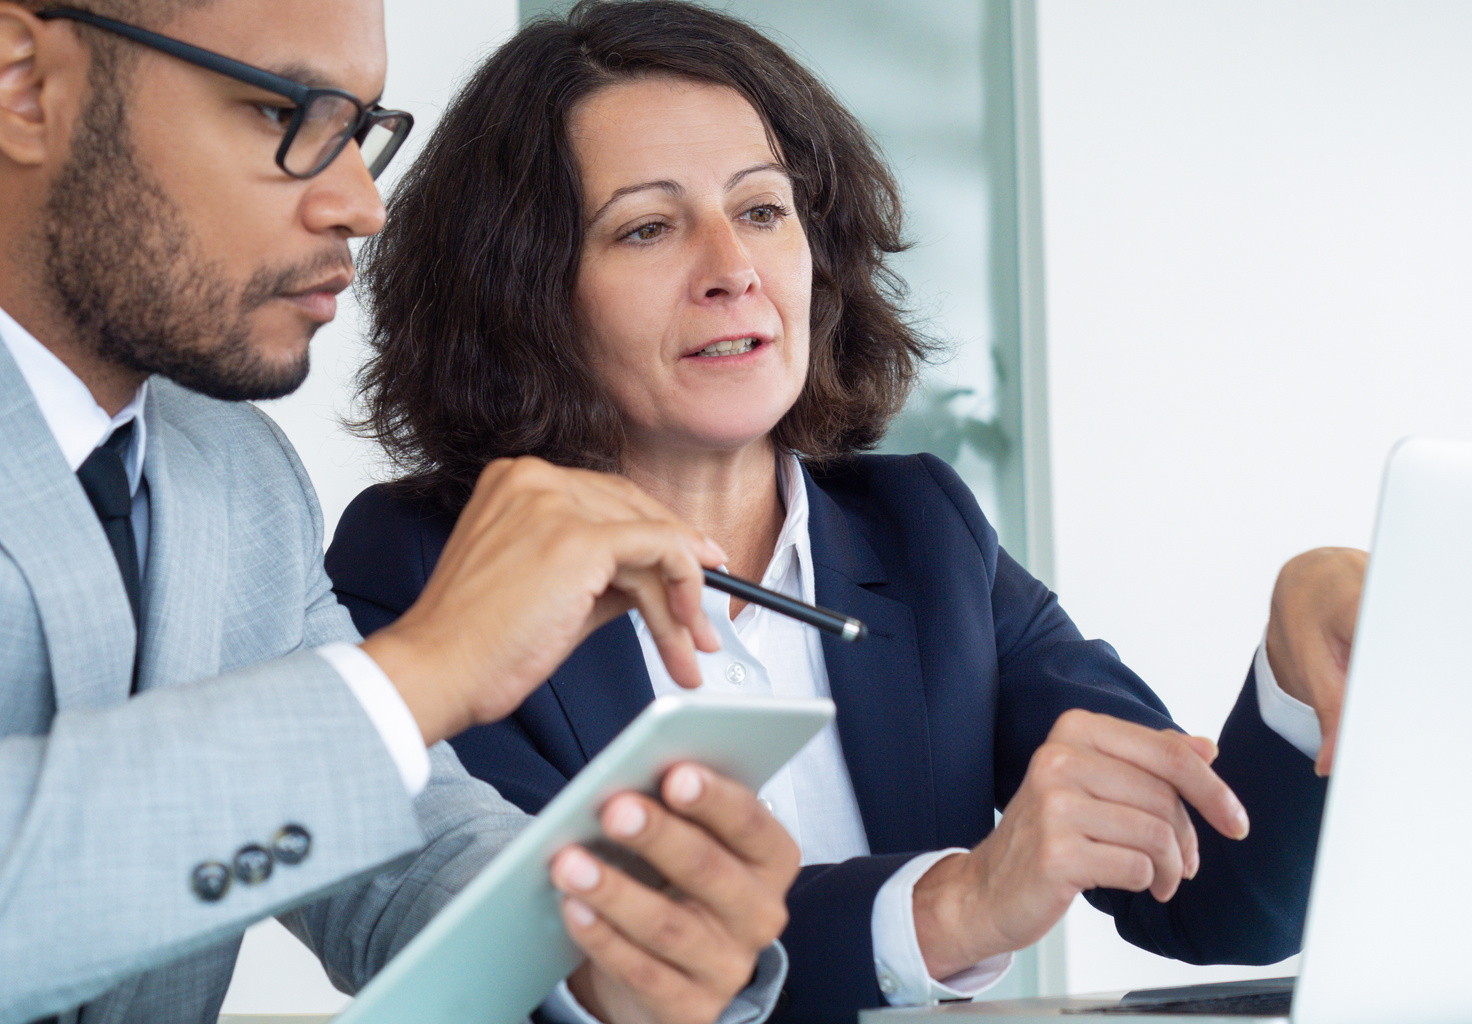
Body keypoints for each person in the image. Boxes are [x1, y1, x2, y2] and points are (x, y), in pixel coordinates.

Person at [325, 1, 1346, 1020]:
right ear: (523, 295)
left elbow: (1218, 904)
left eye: (764, 210)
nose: (734, 270)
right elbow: (574, 957)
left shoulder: (923, 531)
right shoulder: (422, 565)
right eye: (646, 227)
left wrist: (1296, 690)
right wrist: (957, 905)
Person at [0, 0, 802, 1021]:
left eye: (362, 132)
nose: (360, 205)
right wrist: (420, 672)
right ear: (25, 80)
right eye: (282, 110)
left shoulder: (239, 475)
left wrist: (596, 946)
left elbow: (394, 833)